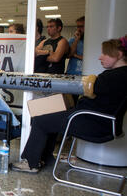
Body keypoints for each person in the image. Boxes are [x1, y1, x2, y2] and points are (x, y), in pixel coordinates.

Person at [11, 38, 127, 173]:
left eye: (105, 54)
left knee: (40, 121)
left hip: (93, 122)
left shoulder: (114, 77)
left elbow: (89, 91)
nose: (100, 57)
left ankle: (31, 163)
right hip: (102, 122)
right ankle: (44, 158)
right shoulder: (121, 75)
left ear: (118, 55)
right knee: (51, 118)